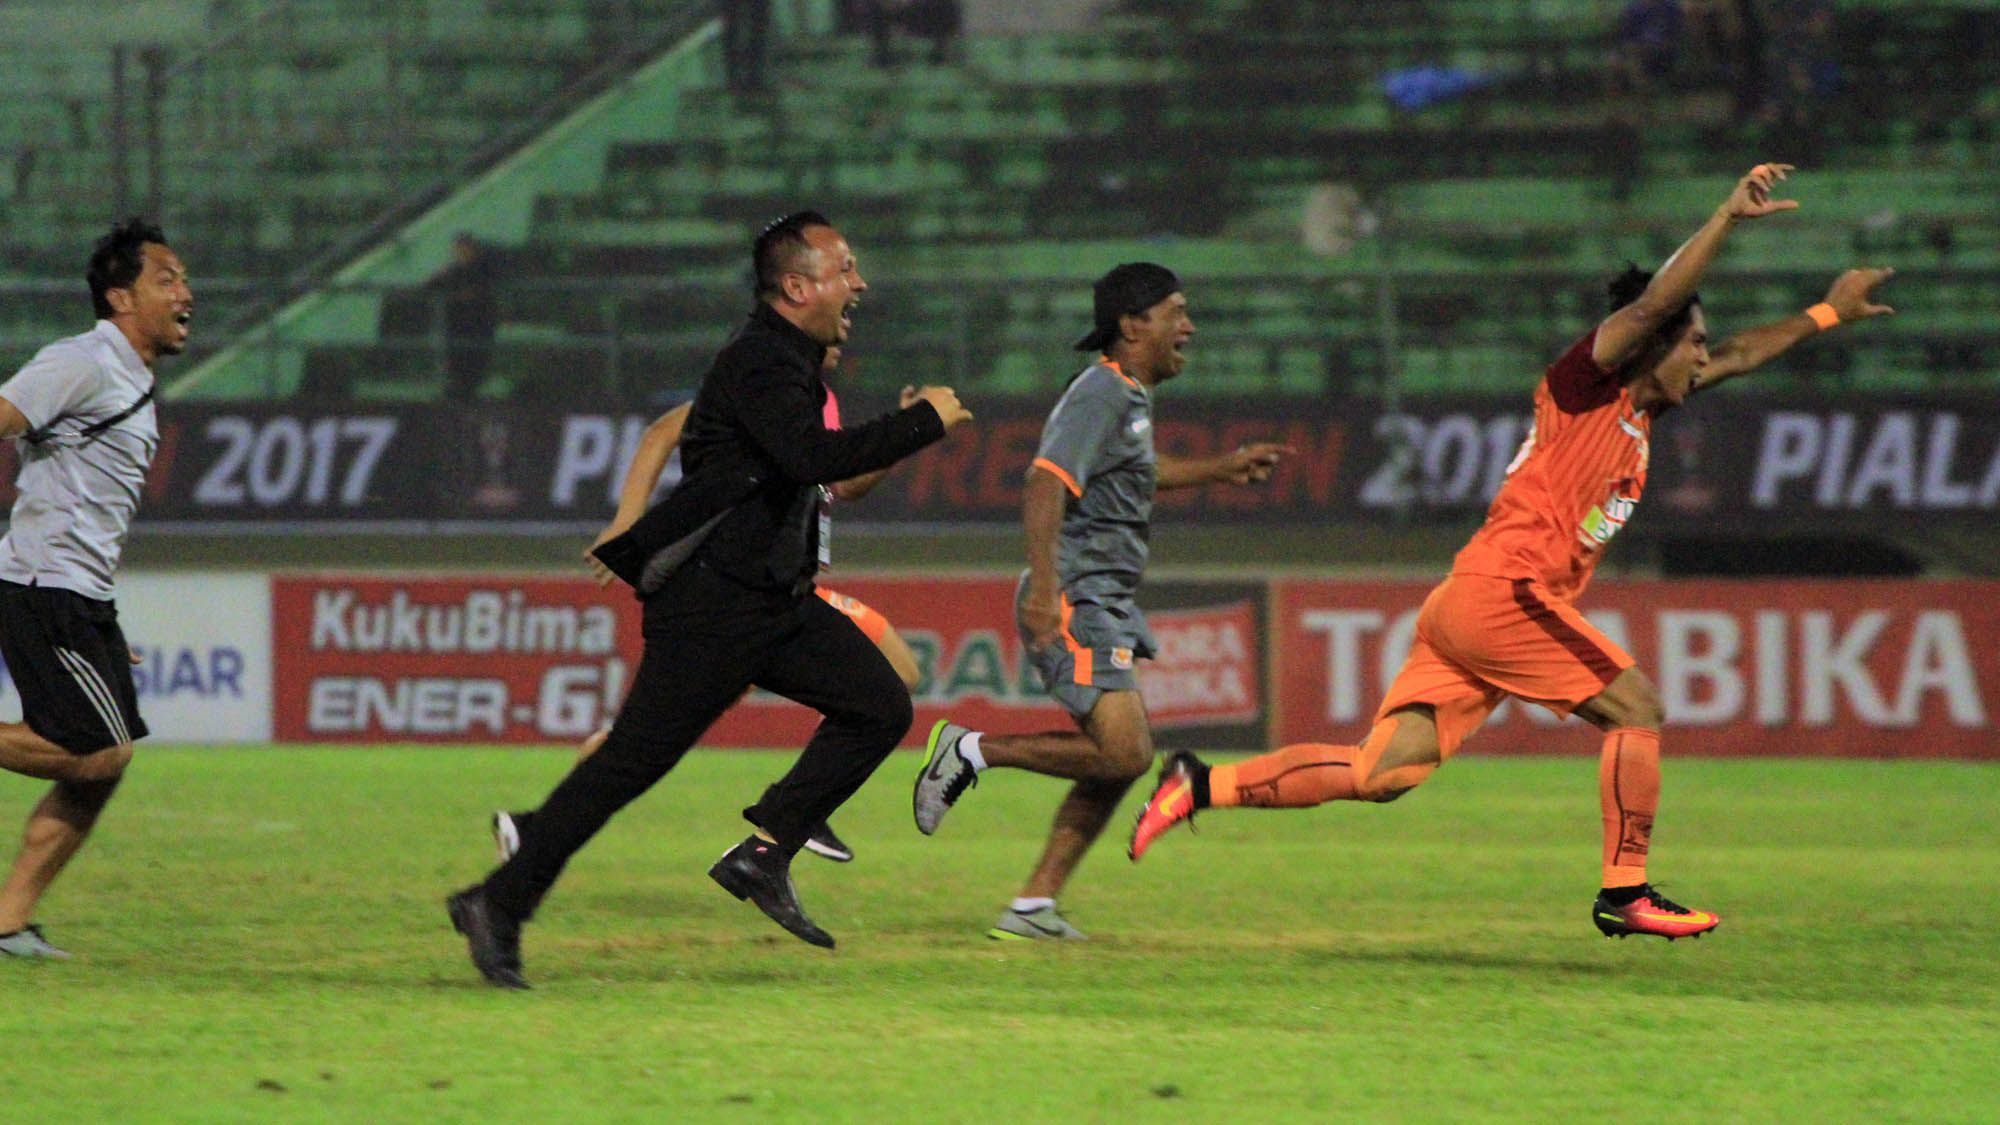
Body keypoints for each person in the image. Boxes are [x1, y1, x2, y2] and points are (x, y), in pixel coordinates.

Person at [1128, 165, 1898, 941]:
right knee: (1636, 708)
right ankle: (1626, 890)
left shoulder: (1640, 413)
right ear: (1652, 344)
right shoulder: (1583, 386)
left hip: (1472, 602)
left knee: (1381, 771)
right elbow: (1654, 307)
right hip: (1505, 592)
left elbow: (1737, 354)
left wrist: (1827, 312)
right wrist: (1725, 219)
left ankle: (1199, 783)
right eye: (1691, 343)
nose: (1704, 358)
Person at [446, 210, 971, 989]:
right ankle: (498, 902)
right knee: (628, 765)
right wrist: (921, 421)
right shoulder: (760, 360)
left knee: (879, 704)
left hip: (770, 601)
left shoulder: (787, 361)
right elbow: (811, 457)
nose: (858, 283)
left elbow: (812, 467)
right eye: (844, 269)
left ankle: (767, 851)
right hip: (714, 608)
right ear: (796, 287)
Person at [912, 263, 1289, 941]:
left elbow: (1136, 472)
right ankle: (971, 750)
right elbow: (1044, 482)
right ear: (1133, 324)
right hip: (1077, 595)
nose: (1189, 327)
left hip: (1105, 598)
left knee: (1118, 758)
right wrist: (1046, 591)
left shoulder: (1129, 397)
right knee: (1125, 754)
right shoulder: (1101, 391)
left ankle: (1033, 907)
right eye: (1176, 312)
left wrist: (1221, 467)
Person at [490, 344, 924, 867]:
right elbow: (661, 433)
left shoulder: (819, 401)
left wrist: (902, 434)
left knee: (895, 677)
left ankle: (800, 805)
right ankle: (536, 831)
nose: (843, 333)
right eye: (837, 320)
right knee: (643, 744)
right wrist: (626, 522)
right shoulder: (761, 388)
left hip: (780, 592)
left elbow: (848, 485)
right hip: (736, 595)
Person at [0, 218, 187, 959]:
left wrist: (104, 613)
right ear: (120, 297)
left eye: (183, 278)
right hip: (43, 585)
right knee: (98, 751)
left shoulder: (129, 376)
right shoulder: (83, 360)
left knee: (102, 767)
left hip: (81, 594)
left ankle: (7, 923)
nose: (185, 292)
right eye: (166, 279)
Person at [426, 232, 499, 401]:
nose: (462, 253)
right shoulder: (452, 272)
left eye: (465, 249)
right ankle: (456, 391)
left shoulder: (484, 270)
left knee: (475, 358)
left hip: (478, 324)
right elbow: (430, 286)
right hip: (456, 324)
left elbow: (485, 292)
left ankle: (469, 392)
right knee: (455, 359)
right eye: (459, 249)